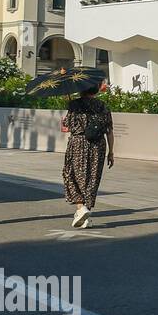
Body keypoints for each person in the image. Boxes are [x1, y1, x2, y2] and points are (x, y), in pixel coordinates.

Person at [62, 81, 114, 227]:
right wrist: (111, 152)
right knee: (92, 178)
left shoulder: (74, 105)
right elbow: (109, 131)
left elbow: (67, 124)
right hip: (98, 145)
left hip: (78, 143)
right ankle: (85, 217)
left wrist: (71, 106)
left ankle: (81, 207)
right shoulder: (103, 106)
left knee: (71, 174)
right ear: (96, 90)